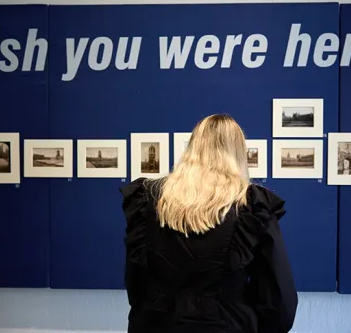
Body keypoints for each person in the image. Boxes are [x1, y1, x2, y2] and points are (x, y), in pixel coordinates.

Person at [120, 114, 298, 333]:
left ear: (193, 146)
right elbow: (278, 299)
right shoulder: (252, 206)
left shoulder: (146, 199)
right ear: (237, 151)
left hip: (155, 324)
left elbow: (135, 282)